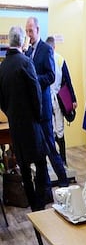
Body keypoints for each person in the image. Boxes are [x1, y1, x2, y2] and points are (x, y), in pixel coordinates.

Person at [0, 26, 50, 211]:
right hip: (32, 124)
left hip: (15, 125)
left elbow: (2, 101)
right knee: (41, 162)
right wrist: (37, 117)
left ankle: (32, 206)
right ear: (22, 41)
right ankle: (41, 205)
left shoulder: (2, 67)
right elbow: (36, 94)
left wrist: (11, 114)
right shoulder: (26, 62)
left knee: (25, 170)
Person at [24, 17, 70, 188]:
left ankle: (64, 182)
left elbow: (51, 76)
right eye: (27, 31)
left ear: (38, 29)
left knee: (50, 147)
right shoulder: (28, 52)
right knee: (38, 152)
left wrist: (34, 79)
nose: (29, 34)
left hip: (43, 109)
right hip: (32, 110)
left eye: (31, 30)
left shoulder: (45, 50)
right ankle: (47, 190)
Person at [46, 36, 77, 168]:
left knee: (56, 129)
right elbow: (67, 80)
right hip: (52, 98)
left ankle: (59, 161)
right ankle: (59, 161)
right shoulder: (54, 59)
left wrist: (73, 99)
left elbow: (67, 80)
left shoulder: (56, 59)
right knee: (55, 130)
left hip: (53, 99)